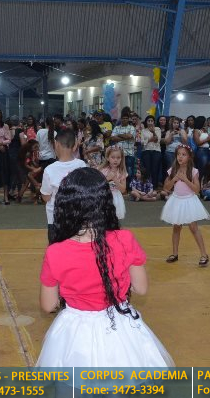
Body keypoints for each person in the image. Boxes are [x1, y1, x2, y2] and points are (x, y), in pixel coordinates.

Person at [36, 167, 173, 371]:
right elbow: (141, 288)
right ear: (105, 202)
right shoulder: (125, 239)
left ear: (65, 205)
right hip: (119, 328)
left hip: (75, 333)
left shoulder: (56, 252)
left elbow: (48, 305)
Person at [162, 144, 210, 265]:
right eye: (178, 154)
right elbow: (166, 188)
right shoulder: (173, 170)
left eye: (183, 154)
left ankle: (204, 254)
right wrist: (174, 179)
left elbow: (197, 190)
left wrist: (185, 179)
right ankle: (175, 253)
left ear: (189, 157)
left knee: (193, 228)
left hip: (189, 201)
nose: (180, 157)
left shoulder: (193, 171)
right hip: (176, 201)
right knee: (176, 227)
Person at [41, 130, 86, 243]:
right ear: (75, 146)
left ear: (56, 144)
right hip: (77, 217)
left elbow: (46, 197)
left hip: (56, 219)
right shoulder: (82, 165)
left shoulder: (49, 170)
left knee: (56, 249)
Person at [98, 146, 127, 222]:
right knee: (104, 219)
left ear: (121, 159)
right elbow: (98, 186)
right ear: (108, 158)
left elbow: (123, 190)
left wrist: (115, 179)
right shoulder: (102, 170)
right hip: (105, 196)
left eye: (118, 158)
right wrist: (107, 178)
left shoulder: (122, 172)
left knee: (115, 219)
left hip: (116, 198)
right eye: (113, 157)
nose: (115, 160)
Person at [140, 116, 162, 189]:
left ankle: (154, 186)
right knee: (147, 169)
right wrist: (149, 140)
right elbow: (142, 142)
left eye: (151, 121)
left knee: (155, 169)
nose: (150, 122)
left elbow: (157, 140)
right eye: (148, 121)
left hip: (156, 150)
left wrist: (153, 132)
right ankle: (147, 186)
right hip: (146, 150)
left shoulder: (157, 129)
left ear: (154, 122)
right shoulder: (143, 130)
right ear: (146, 122)